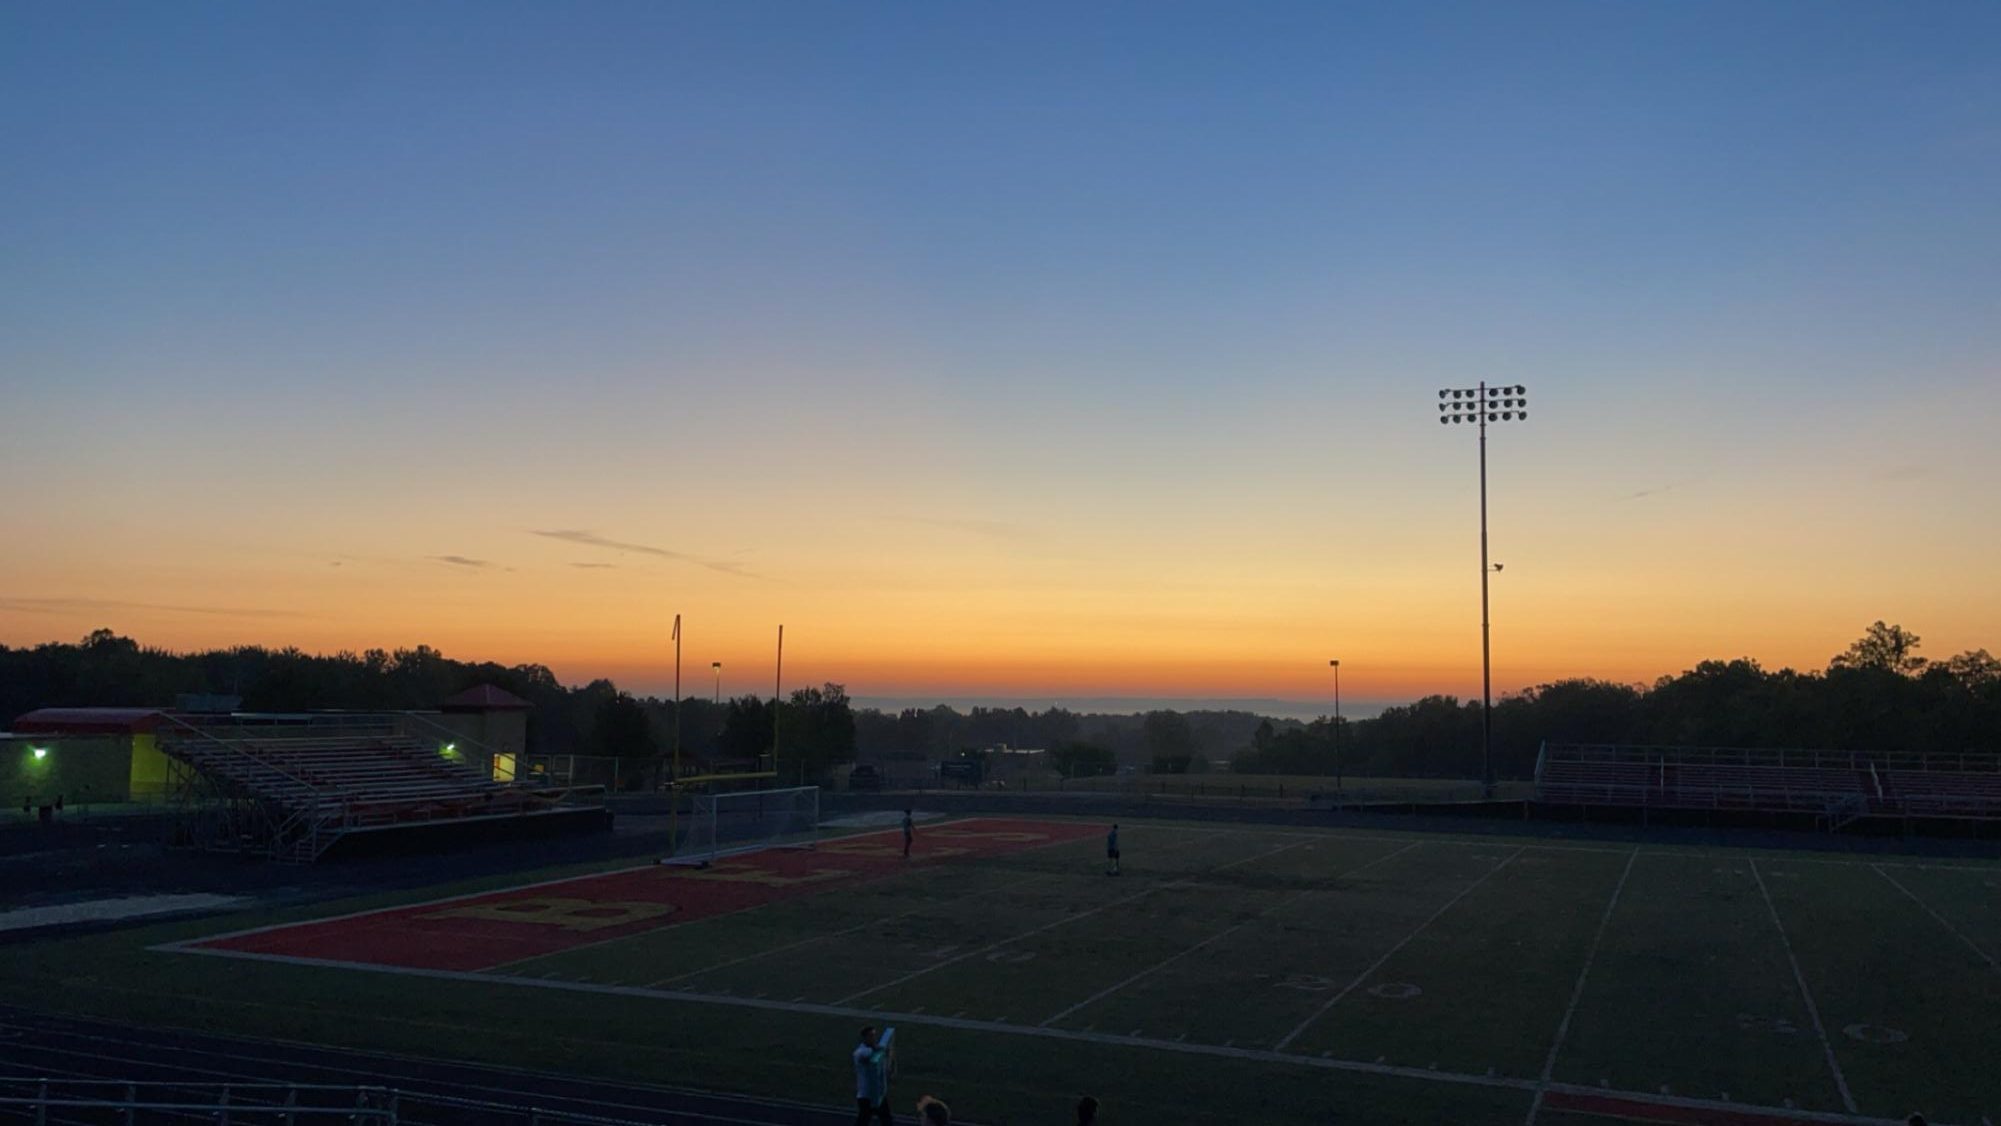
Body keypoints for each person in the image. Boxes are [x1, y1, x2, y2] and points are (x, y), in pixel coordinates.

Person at [852, 1026, 895, 1125]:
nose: (874, 1038)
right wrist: (877, 1049)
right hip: (866, 1095)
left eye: (874, 1035)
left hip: (877, 1093)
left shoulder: (875, 1051)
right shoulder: (861, 1052)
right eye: (871, 1036)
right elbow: (862, 1057)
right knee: (864, 1120)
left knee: (886, 1120)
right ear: (864, 1038)